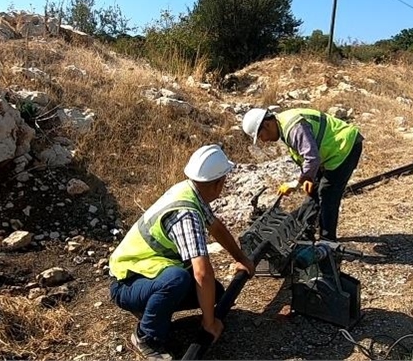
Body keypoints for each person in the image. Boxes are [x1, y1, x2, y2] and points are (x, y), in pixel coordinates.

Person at [108, 144, 255, 360]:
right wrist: (209, 322)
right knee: (178, 280)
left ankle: (154, 310)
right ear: (218, 183)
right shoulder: (186, 214)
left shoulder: (191, 190)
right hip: (125, 283)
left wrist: (241, 258)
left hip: (147, 274)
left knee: (215, 293)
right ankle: (146, 337)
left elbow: (215, 226)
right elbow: (201, 272)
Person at [241, 107, 363, 242]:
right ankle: (302, 232)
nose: (263, 140)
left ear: (267, 124)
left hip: (344, 147)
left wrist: (297, 183)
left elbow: (312, 158)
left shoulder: (293, 127)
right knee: (313, 192)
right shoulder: (283, 126)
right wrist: (308, 177)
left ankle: (327, 243)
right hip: (330, 154)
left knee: (327, 193)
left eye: (260, 136)